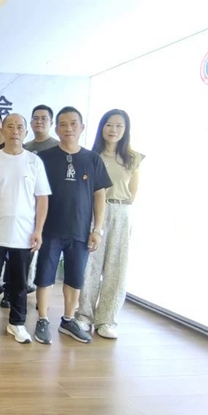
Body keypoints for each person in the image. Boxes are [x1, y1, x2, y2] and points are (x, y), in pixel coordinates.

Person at [33, 107, 112, 345]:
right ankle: (43, 319)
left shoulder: (92, 159)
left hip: (80, 230)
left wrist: (97, 229)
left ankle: (68, 320)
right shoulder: (43, 157)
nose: (68, 128)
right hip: (50, 229)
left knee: (75, 277)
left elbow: (99, 195)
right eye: (63, 124)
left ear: (82, 127)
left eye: (73, 124)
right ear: (56, 128)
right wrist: (36, 228)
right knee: (44, 276)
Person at [0, 114, 50, 343]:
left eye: (20, 127)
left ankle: (16, 323)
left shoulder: (34, 162)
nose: (15, 130)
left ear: (25, 132)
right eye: (10, 126)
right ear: (3, 130)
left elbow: (42, 198)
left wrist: (38, 230)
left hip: (24, 233)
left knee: (19, 283)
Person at [76, 109, 143, 339]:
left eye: (119, 126)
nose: (113, 130)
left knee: (116, 266)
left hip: (121, 212)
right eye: (109, 125)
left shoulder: (133, 158)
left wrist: (116, 207)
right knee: (90, 265)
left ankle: (106, 319)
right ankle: (84, 315)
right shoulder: (91, 155)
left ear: (125, 130)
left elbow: (132, 194)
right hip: (94, 212)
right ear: (101, 127)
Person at [22, 104, 58, 296]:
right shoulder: (25, 148)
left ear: (51, 123)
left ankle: (42, 296)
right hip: (28, 208)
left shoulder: (58, 147)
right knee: (26, 249)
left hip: (52, 207)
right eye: (36, 118)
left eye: (44, 118)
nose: (39, 121)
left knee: (47, 254)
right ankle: (20, 288)